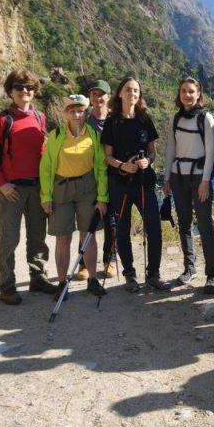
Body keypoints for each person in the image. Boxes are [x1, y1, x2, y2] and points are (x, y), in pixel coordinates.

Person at [0, 69, 57, 305]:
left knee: (38, 236)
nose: (25, 91)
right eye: (19, 87)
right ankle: (6, 284)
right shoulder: (3, 120)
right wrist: (2, 184)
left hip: (36, 187)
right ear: (10, 91)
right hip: (12, 189)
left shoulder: (40, 118)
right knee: (10, 237)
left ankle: (37, 277)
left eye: (30, 88)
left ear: (35, 92)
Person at [101, 75, 170, 293]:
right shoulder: (111, 122)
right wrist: (123, 166)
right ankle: (130, 275)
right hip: (120, 183)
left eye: (136, 91)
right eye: (129, 90)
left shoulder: (144, 119)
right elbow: (107, 157)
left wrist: (147, 161)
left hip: (144, 182)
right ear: (120, 93)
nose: (133, 94)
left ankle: (153, 274)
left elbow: (152, 151)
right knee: (122, 229)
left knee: (154, 227)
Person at [40, 94, 109, 299]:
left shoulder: (94, 136)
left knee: (88, 235)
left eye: (80, 111)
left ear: (85, 112)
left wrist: (102, 197)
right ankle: (62, 283)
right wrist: (46, 197)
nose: (77, 114)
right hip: (61, 188)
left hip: (87, 188)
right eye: (72, 110)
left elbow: (101, 168)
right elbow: (45, 167)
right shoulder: (56, 135)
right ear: (65, 113)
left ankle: (92, 279)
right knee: (63, 237)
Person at [162, 76, 214, 294]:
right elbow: (170, 150)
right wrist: (166, 178)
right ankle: (189, 268)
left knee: (205, 225)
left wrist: (206, 181)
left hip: (198, 178)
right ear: (179, 94)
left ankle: (212, 275)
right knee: (184, 224)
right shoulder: (175, 119)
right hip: (179, 177)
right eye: (183, 91)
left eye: (191, 91)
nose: (187, 94)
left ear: (199, 95)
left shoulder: (206, 119)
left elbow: (211, 152)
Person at [82, 79, 116, 280]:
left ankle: (110, 260)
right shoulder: (84, 121)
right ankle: (84, 264)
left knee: (112, 222)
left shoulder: (115, 120)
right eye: (93, 94)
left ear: (109, 97)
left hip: (112, 177)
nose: (97, 98)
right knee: (87, 221)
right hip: (88, 177)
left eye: (101, 94)